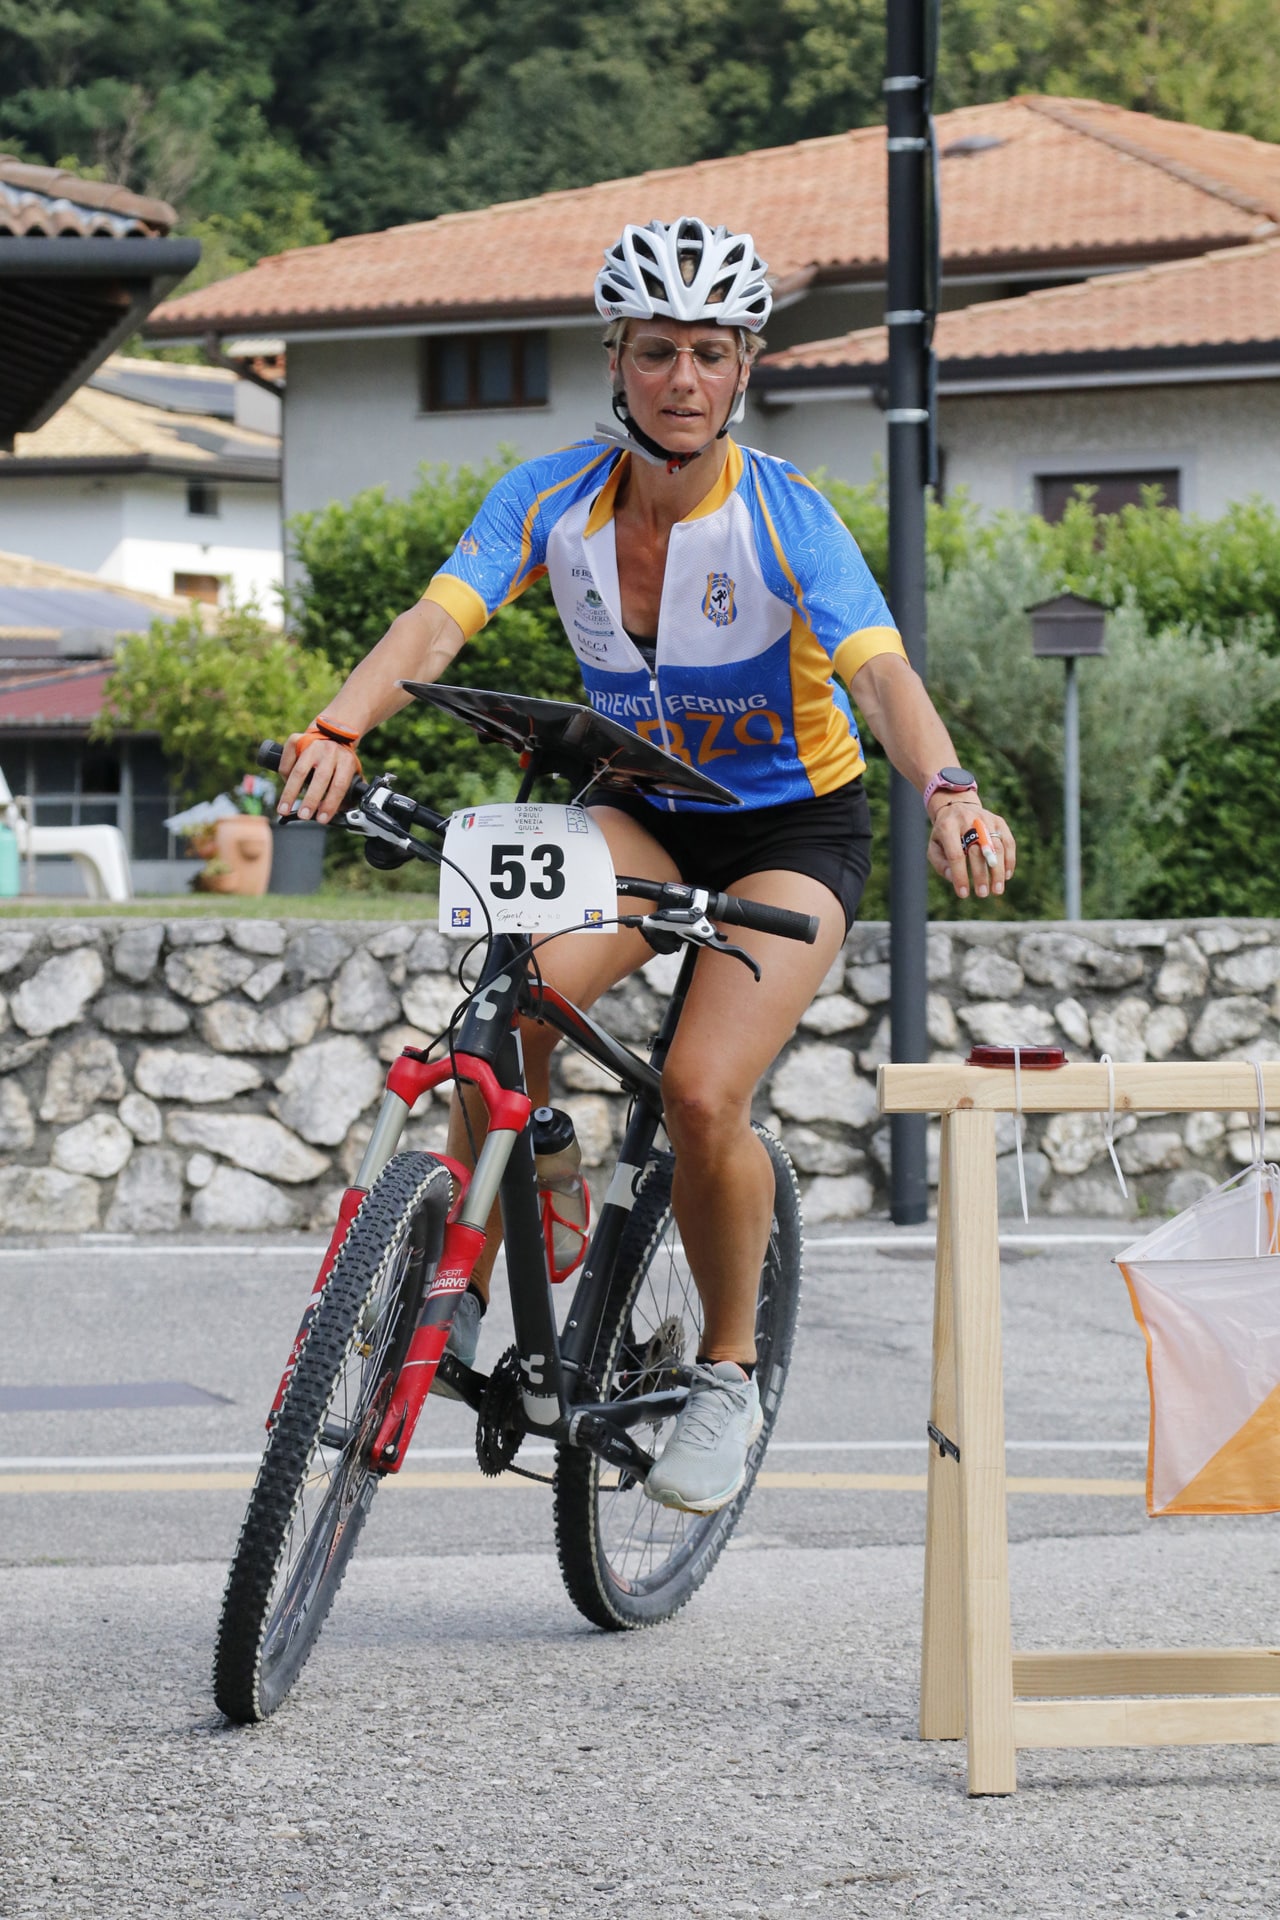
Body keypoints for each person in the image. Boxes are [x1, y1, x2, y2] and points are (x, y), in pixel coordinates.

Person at [277, 216, 1017, 1518]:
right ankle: (510, 1220)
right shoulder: (549, 498)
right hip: (644, 805)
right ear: (614, 360)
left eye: (711, 353)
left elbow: (882, 675)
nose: (684, 377)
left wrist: (947, 786)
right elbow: (435, 624)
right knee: (510, 1004)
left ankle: (725, 1374)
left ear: (745, 369)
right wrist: (340, 725)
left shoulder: (787, 518)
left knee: (699, 1092)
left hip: (792, 831)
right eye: (658, 350)